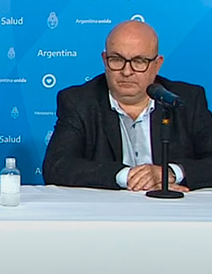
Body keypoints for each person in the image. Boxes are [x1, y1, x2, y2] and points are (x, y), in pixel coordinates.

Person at [43, 19, 212, 191]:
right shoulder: (79, 102)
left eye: (139, 61)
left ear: (157, 65)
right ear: (104, 60)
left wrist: (170, 173)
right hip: (108, 206)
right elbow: (56, 166)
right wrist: (127, 176)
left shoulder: (186, 100)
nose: (126, 71)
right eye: (117, 59)